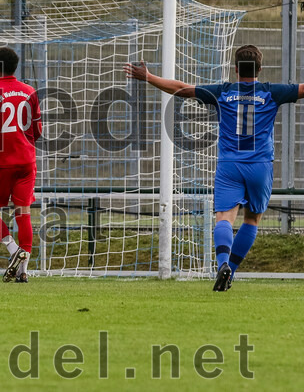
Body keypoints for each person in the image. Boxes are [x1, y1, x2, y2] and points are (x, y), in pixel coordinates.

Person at [125, 45, 303, 291]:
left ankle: (222, 265)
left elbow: (180, 89)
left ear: (235, 69)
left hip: (230, 165)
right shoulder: (272, 92)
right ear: (260, 69)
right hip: (260, 166)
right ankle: (231, 271)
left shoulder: (223, 92)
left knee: (224, 219)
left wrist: (149, 77)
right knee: (252, 220)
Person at [0, 47, 42, 283]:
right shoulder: (30, 92)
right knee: (23, 212)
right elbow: (38, 131)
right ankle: (24, 271)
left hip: (2, 162)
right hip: (27, 160)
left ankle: (14, 251)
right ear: (16, 66)